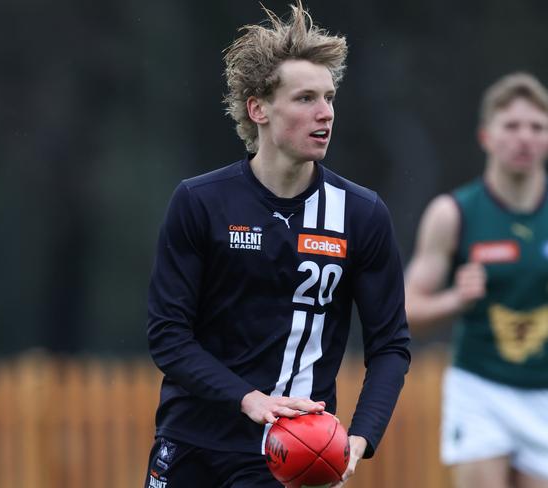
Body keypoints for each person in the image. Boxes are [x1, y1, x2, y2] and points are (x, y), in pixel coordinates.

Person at [143, 2, 411, 487]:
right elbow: (168, 335)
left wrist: (361, 436)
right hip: (190, 443)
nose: (325, 112)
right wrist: (249, 398)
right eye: (306, 98)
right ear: (258, 108)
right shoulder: (199, 202)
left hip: (287, 457)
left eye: (329, 97)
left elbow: (390, 345)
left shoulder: (361, 214)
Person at [405, 72, 548, 488]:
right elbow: (406, 309)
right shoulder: (452, 213)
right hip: (480, 390)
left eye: (536, 127)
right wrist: (454, 299)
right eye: (511, 126)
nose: (524, 138)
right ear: (486, 136)